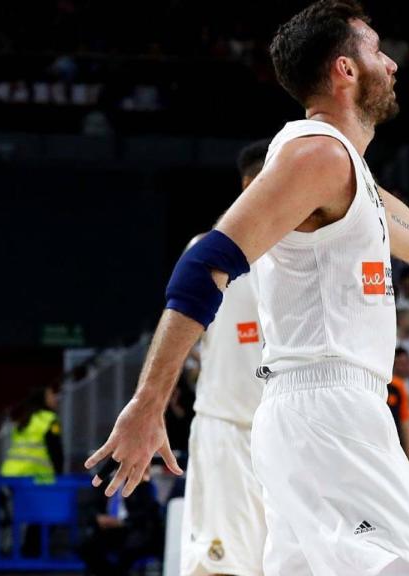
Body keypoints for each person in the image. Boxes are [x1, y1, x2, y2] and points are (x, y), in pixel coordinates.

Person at [85, 2, 409, 573]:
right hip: (327, 410)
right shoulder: (316, 152)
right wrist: (149, 404)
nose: (392, 64)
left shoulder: (348, 171)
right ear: (345, 70)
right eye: (377, 50)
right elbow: (204, 265)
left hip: (314, 414)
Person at [179, 140, 268, 576]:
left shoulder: (308, 254)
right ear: (251, 184)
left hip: (289, 439)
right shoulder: (209, 250)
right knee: (220, 566)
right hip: (228, 430)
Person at [1, 387, 62, 483]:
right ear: (42, 399)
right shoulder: (49, 419)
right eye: (50, 395)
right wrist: (59, 477)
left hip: (10, 473)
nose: (54, 398)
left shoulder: (24, 419)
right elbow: (56, 451)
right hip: (34, 477)